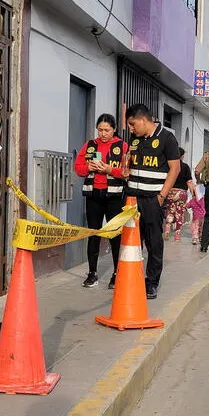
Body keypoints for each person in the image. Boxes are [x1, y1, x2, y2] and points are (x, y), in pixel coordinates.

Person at [124, 104, 181, 299]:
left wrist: (162, 195)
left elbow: (175, 169)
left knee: (153, 241)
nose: (131, 129)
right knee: (132, 240)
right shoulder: (134, 139)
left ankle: (152, 281)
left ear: (143, 120)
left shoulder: (166, 139)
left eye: (132, 124)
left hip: (152, 200)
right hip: (132, 198)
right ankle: (132, 277)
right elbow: (129, 160)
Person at [74, 113, 127, 289]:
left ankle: (116, 273)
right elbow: (78, 167)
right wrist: (88, 167)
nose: (103, 133)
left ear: (114, 130)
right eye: (100, 130)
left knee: (114, 235)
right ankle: (92, 273)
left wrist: (109, 169)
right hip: (93, 195)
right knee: (93, 233)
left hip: (113, 197)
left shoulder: (122, 146)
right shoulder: (90, 145)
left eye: (107, 130)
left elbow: (127, 172)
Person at [163, 147, 196, 241]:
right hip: (181, 193)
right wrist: (193, 193)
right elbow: (189, 181)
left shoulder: (168, 166)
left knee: (170, 211)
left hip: (170, 191)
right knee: (179, 213)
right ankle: (177, 235)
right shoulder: (185, 167)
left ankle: (167, 231)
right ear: (182, 156)